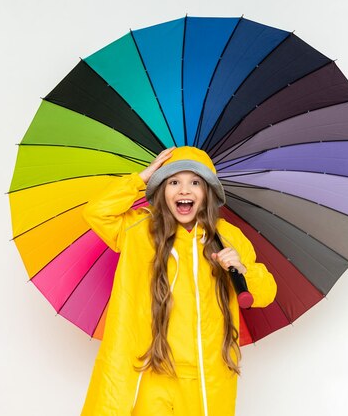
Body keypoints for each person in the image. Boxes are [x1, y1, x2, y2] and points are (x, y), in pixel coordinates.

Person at [80, 146, 277, 416]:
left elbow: (266, 294)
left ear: (208, 193)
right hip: (150, 370)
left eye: (195, 182)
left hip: (205, 377)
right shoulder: (138, 231)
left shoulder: (229, 237)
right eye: (173, 182)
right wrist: (142, 178)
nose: (184, 190)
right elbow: (97, 213)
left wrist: (242, 270)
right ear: (161, 190)